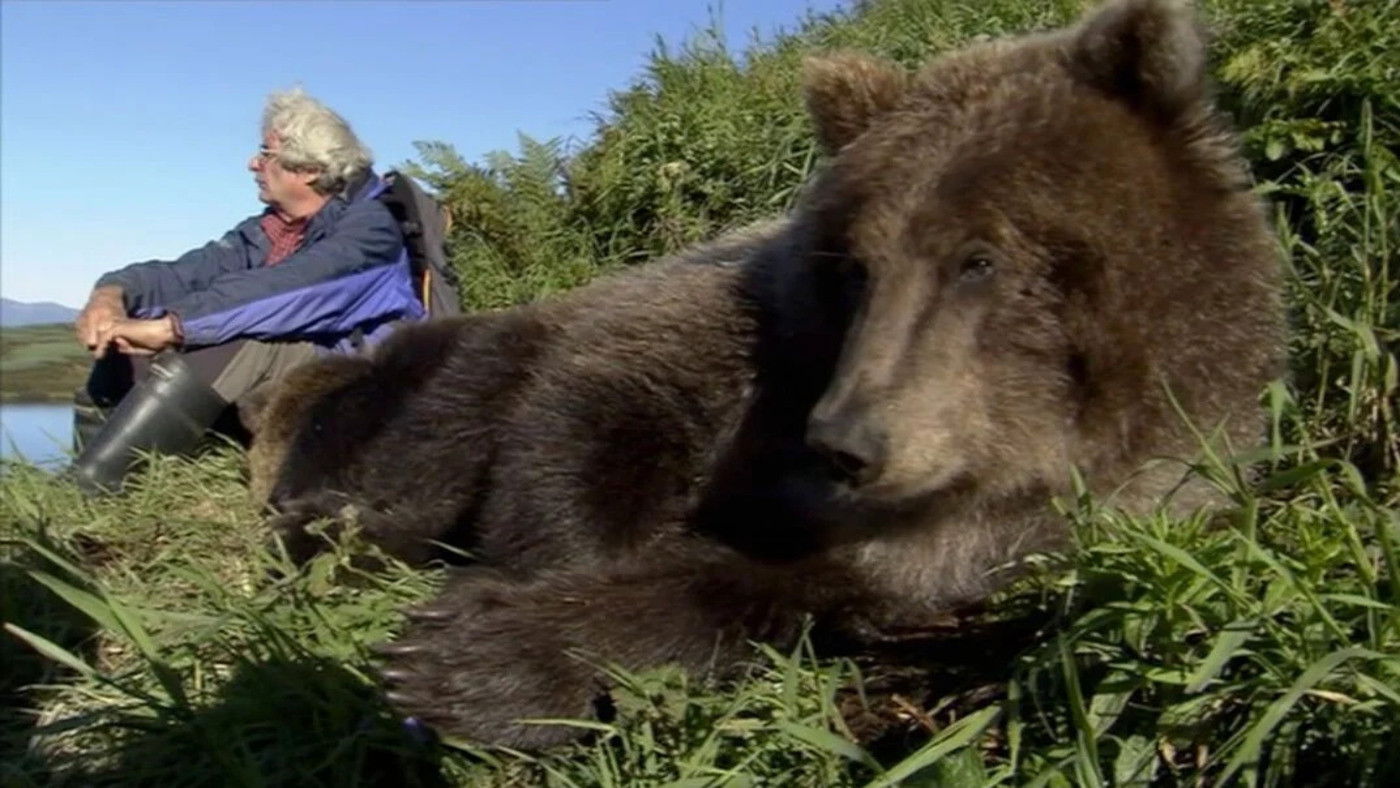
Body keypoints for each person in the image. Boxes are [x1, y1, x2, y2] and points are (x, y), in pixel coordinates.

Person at [70, 89, 425, 494]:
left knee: (235, 344)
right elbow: (186, 273)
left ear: (307, 168)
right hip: (295, 377)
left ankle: (92, 491)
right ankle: (85, 486)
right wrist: (113, 293)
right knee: (119, 351)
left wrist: (171, 327)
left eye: (266, 153)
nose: (253, 163)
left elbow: (288, 289)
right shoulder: (268, 231)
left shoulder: (370, 233)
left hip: (360, 389)